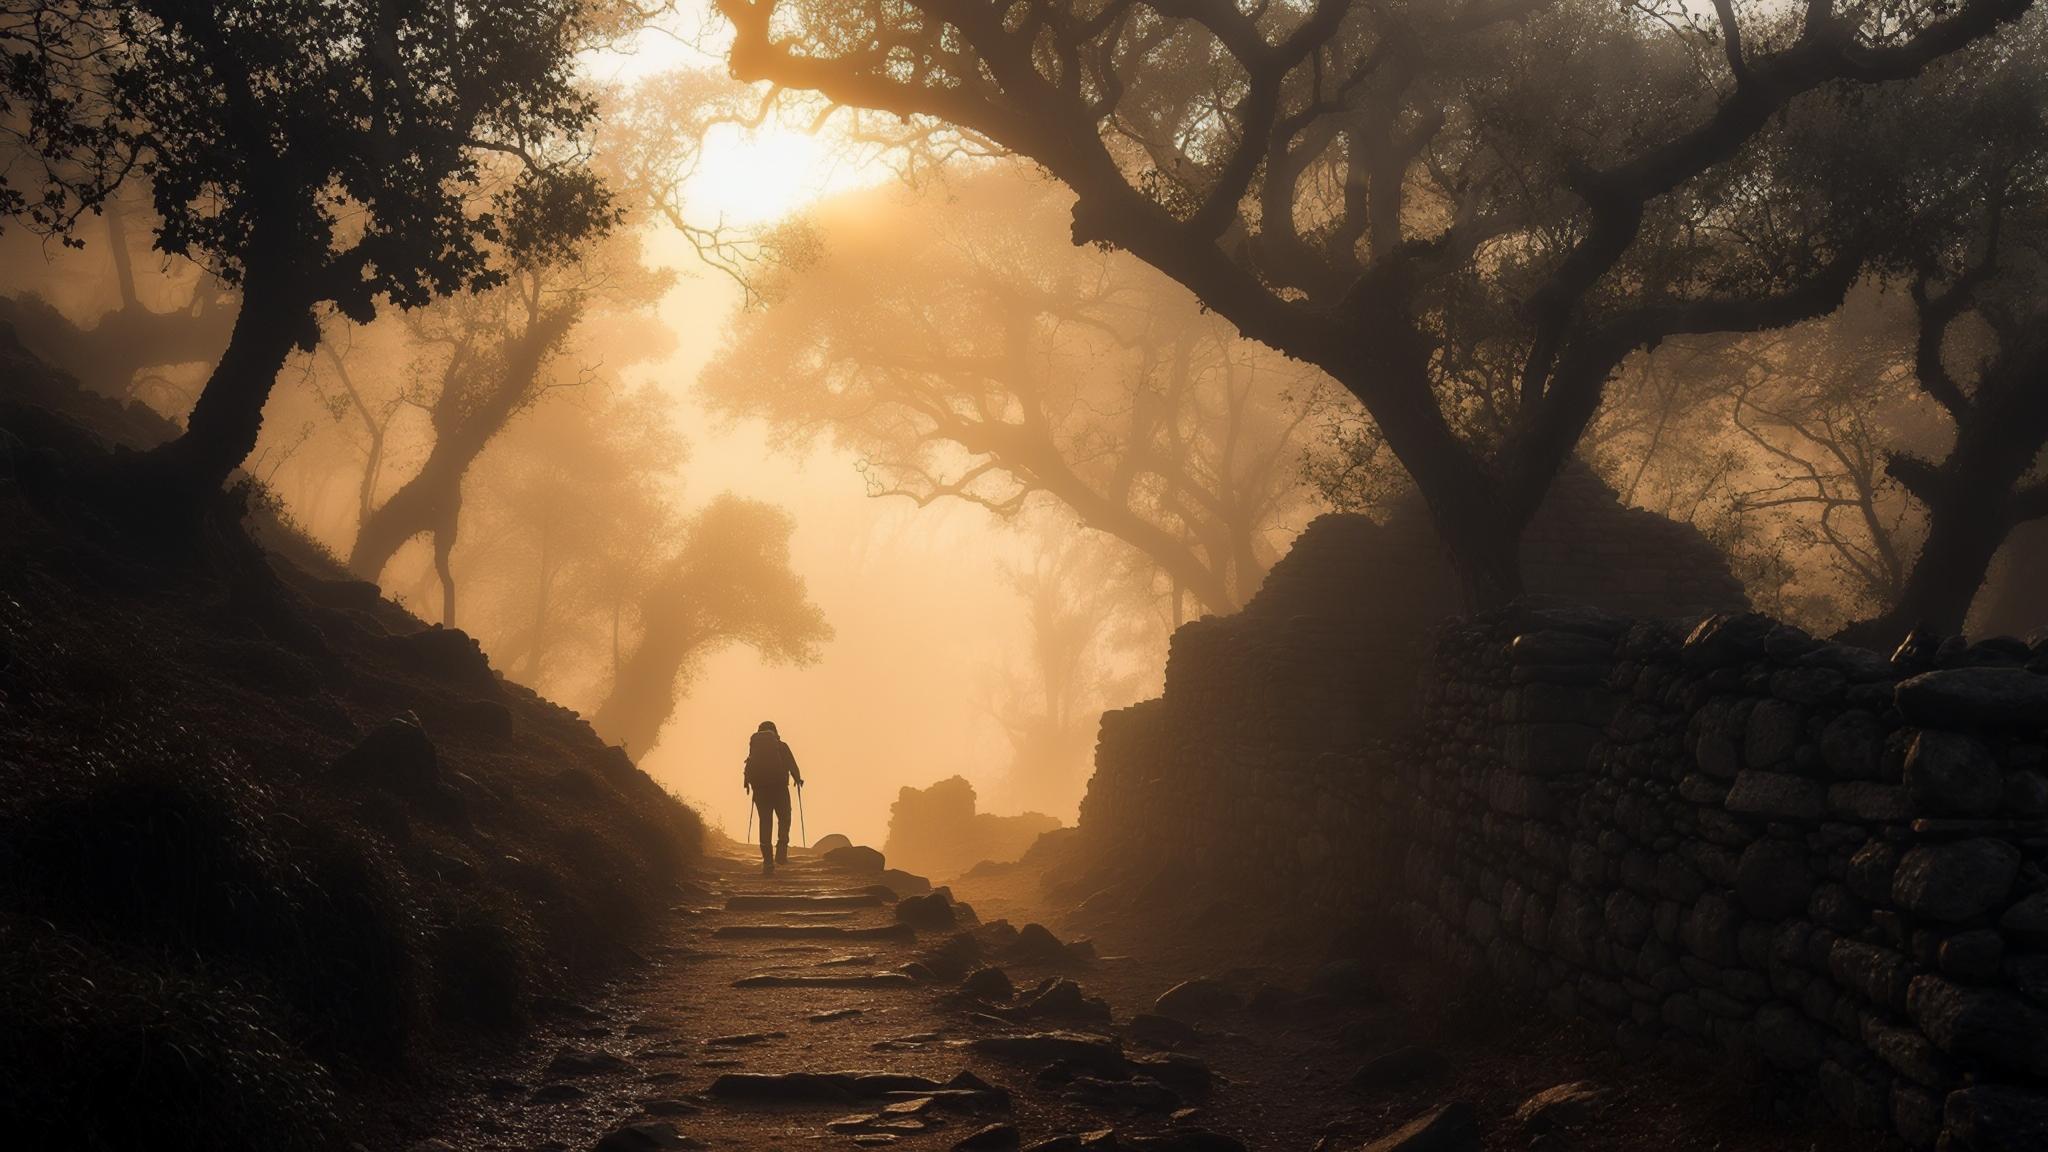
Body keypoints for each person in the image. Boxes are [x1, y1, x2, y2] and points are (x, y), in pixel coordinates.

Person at [743, 720, 803, 874]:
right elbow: (792, 764)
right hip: (779, 789)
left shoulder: (755, 748)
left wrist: (748, 783)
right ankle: (781, 853)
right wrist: (797, 778)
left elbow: (750, 765)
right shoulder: (781, 746)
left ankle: (768, 862)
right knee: (784, 818)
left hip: (760, 791)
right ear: (775, 731)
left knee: (765, 822)